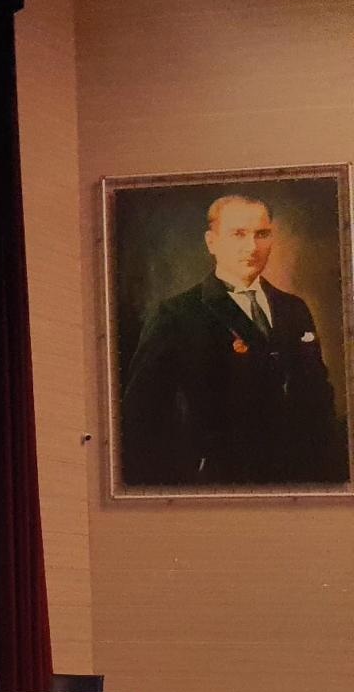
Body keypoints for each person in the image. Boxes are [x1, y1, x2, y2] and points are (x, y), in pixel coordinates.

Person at [120, 193, 348, 488]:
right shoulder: (177, 315)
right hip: (221, 481)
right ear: (211, 242)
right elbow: (141, 416)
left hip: (301, 478)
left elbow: (318, 394)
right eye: (238, 234)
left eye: (261, 234)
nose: (252, 247)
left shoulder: (293, 308)